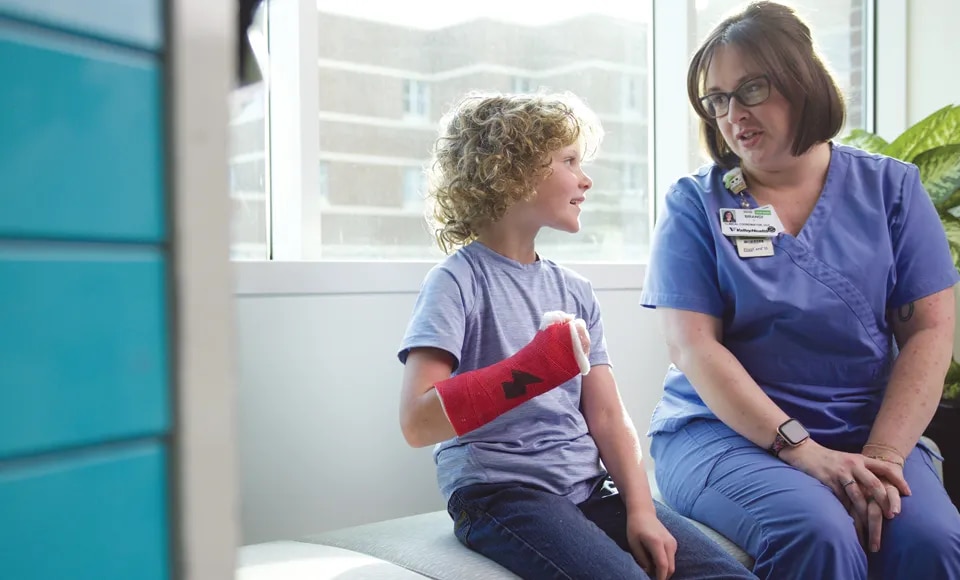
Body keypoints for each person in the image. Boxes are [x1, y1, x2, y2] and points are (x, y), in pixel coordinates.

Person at [639, 2, 960, 579]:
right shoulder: (696, 204)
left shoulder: (893, 190)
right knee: (817, 530)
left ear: (802, 81)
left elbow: (930, 330)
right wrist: (801, 449)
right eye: (717, 100)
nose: (732, 114)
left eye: (751, 89)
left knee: (931, 540)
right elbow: (693, 348)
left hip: (868, 427)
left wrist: (884, 456)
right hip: (724, 434)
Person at [397, 91, 756, 580]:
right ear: (512, 171)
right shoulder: (457, 281)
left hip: (589, 486)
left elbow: (607, 415)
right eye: (569, 161)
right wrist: (532, 369)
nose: (586, 180)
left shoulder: (575, 290)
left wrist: (641, 510)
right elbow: (417, 423)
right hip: (500, 492)